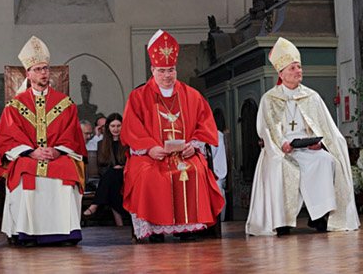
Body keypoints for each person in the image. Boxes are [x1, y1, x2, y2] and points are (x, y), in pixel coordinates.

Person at [246, 38, 359, 236]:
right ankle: (282, 222)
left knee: (326, 161)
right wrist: (283, 144)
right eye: (293, 68)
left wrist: (320, 143)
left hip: (307, 149)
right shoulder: (270, 99)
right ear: (281, 74)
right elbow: (267, 129)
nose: (298, 71)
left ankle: (318, 216)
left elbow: (325, 126)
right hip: (281, 151)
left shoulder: (311, 96)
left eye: (299, 67)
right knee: (279, 166)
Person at [122, 30, 224, 242]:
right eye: (162, 71)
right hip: (151, 155)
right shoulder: (138, 96)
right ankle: (153, 230)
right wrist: (150, 148)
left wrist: (193, 145)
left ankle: (186, 229)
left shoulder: (192, 95)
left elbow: (205, 125)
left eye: (171, 70)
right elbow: (131, 129)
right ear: (153, 70)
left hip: (185, 154)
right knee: (147, 175)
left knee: (196, 169)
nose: (167, 75)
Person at [0, 36, 87, 247]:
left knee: (67, 167)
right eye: (38, 69)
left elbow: (72, 135)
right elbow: (7, 137)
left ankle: (66, 232)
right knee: (25, 168)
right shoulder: (14, 106)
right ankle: (26, 232)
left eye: (45, 68)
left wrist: (57, 151)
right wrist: (31, 151)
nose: (43, 73)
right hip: (28, 156)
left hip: (58, 155)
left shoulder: (65, 104)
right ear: (28, 73)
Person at [83, 113, 129, 226]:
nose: (116, 129)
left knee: (112, 177)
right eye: (113, 126)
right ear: (108, 127)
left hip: (126, 175)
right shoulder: (101, 144)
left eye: (118, 126)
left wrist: (121, 168)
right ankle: (120, 224)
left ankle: (95, 204)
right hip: (110, 178)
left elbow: (130, 162)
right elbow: (101, 167)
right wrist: (113, 170)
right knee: (112, 183)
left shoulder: (127, 143)